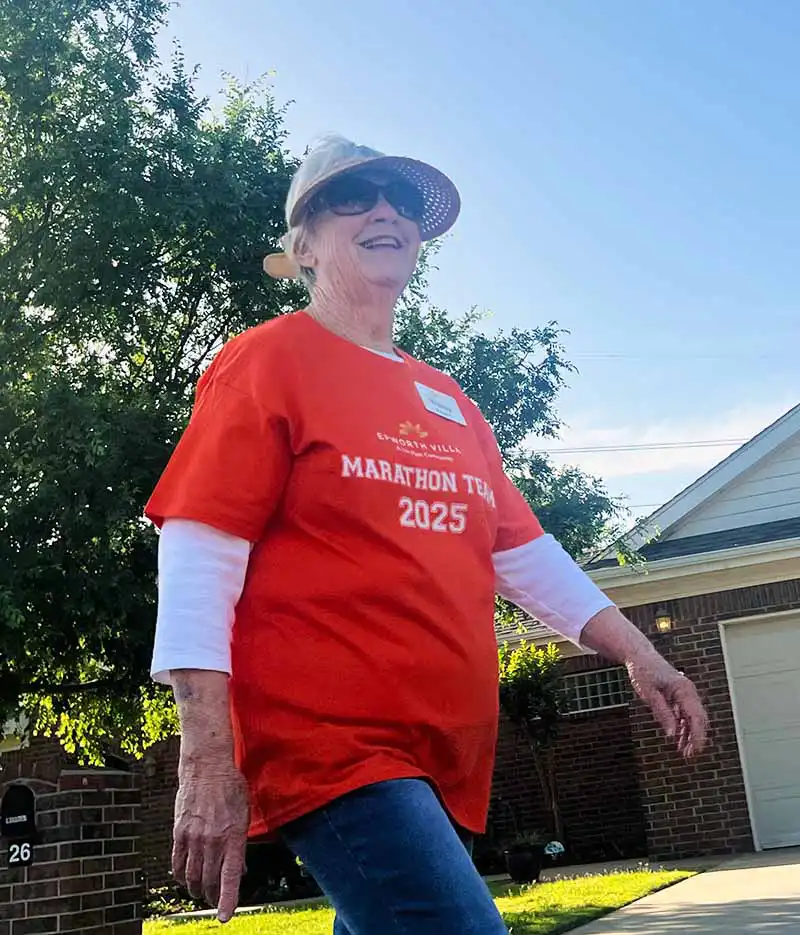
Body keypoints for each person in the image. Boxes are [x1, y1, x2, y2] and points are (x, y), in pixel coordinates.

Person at [145, 135, 709, 934]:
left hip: (442, 756)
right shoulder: (266, 363)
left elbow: (522, 552)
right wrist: (204, 754)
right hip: (333, 749)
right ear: (301, 244)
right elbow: (200, 549)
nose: (385, 210)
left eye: (401, 201)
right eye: (354, 196)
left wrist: (640, 652)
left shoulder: (450, 401)